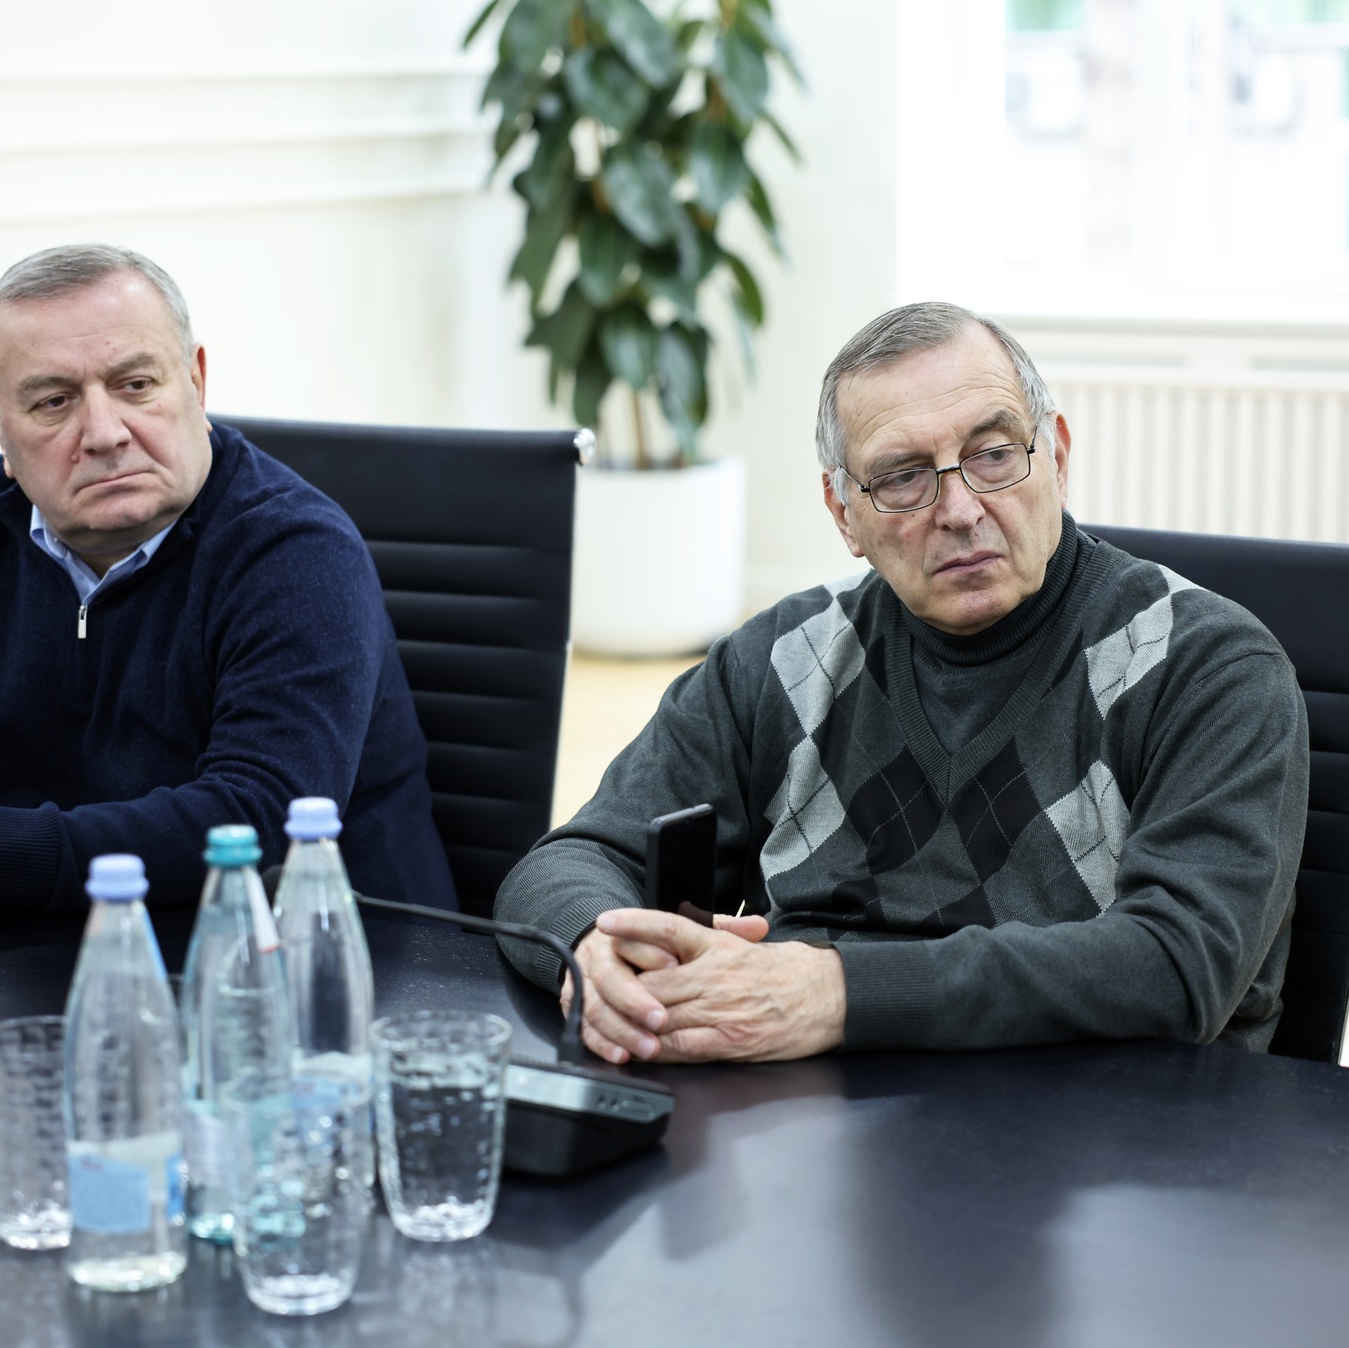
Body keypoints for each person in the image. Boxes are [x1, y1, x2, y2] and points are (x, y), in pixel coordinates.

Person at [495, 302, 1307, 1064]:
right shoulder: (780, 660)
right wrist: (594, 947)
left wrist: (835, 992)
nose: (959, 508)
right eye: (903, 477)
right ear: (843, 511)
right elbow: (572, 859)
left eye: (993, 454)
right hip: (807, 1127)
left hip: (1103, 1131)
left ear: (1056, 456)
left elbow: (1178, 963)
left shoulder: (1208, 667)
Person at [0, 244, 456, 914]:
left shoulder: (296, 550)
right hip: (40, 950)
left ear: (197, 382)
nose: (103, 433)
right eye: (53, 401)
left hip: (320, 964)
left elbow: (255, 819)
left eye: (136, 384)